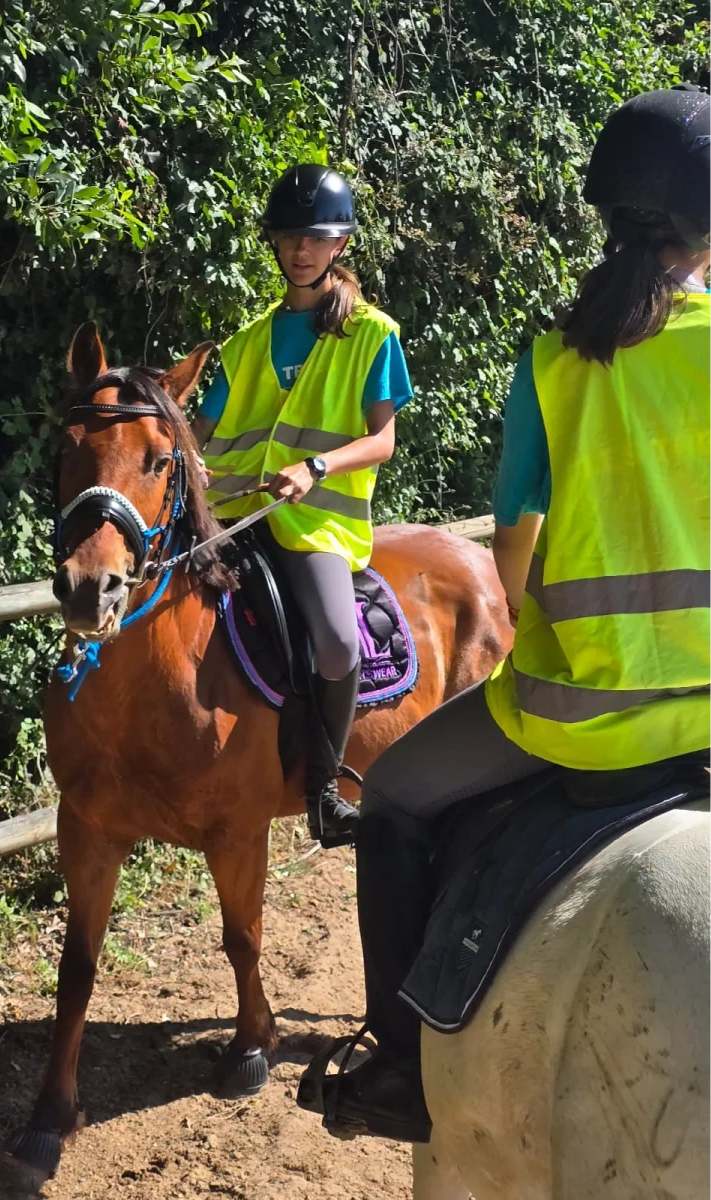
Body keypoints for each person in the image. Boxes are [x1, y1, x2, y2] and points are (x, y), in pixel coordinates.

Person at [297, 83, 711, 1143]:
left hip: (572, 723)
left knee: (389, 797)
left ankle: (396, 1067)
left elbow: (513, 553)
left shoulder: (550, 358)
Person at [192, 164, 413, 849]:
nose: (300, 250)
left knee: (338, 639)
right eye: (289, 237)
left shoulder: (372, 335)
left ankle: (322, 789)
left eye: (315, 238)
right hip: (232, 517)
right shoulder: (242, 345)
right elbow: (198, 436)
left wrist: (316, 466)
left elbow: (382, 441)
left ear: (340, 244)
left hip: (315, 522)